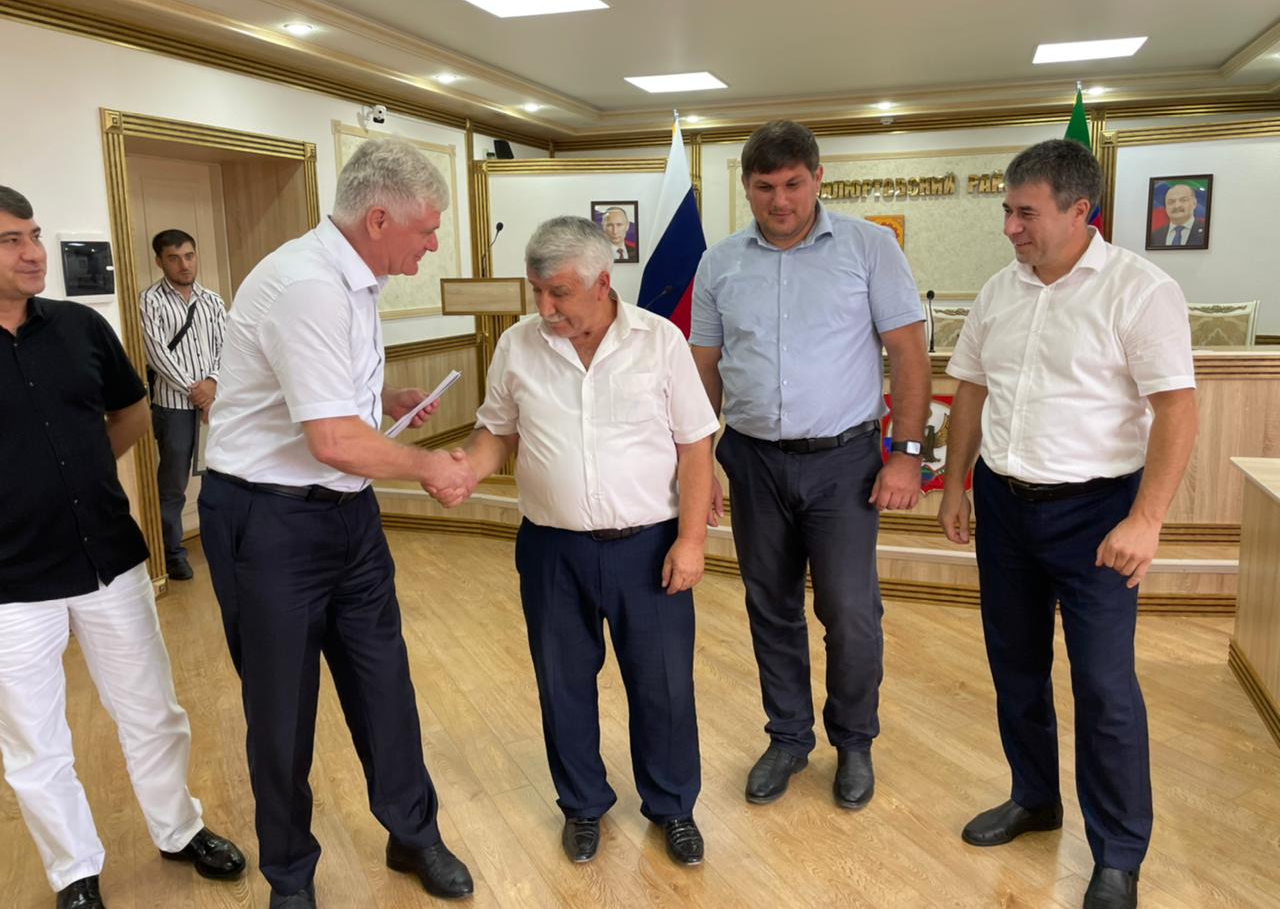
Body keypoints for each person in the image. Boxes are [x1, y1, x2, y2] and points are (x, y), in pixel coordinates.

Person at [197, 139, 476, 908]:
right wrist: (429, 465)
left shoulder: (358, 278)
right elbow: (331, 440)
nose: (433, 244)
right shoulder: (307, 284)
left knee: (385, 684)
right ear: (378, 218)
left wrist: (378, 399)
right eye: (427, 229)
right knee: (281, 710)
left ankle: (412, 833)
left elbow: (316, 396)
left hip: (347, 517)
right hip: (269, 524)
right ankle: (290, 876)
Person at [938, 139, 1198, 909]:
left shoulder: (1139, 291)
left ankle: (1118, 854)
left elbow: (1177, 411)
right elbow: (971, 390)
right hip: (1005, 506)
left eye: (1026, 212)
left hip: (1099, 515)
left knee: (1104, 687)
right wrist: (955, 486)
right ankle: (1034, 798)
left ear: (1081, 210)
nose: (1010, 227)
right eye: (1007, 211)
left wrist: (1147, 520)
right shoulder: (1000, 291)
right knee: (1015, 667)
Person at [0, 186, 245, 909]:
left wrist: (73, 476)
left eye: (34, 234)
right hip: (11, 583)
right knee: (35, 742)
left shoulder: (80, 326)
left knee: (152, 711)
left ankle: (179, 829)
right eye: (11, 240)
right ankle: (74, 872)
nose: (34, 252)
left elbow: (133, 411)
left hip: (109, 558)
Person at [447, 216, 718, 867]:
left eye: (559, 293)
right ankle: (582, 805)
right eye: (537, 291)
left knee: (663, 686)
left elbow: (695, 447)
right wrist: (465, 470)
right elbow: (497, 431)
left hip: (648, 546)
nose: (545, 307)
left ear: (603, 282)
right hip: (552, 550)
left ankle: (673, 806)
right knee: (562, 684)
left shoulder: (660, 341)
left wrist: (690, 541)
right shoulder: (517, 345)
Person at [689, 121, 931, 810]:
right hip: (753, 460)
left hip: (844, 463)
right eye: (765, 186)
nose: (781, 200)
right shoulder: (719, 263)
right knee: (770, 606)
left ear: (819, 178)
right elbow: (703, 369)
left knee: (850, 612)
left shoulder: (869, 247)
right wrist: (698, 469)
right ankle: (789, 738)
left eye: (794, 183)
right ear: (746, 187)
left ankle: (854, 741)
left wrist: (906, 456)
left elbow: (908, 354)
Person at [139, 229, 226, 581]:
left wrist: (213, 383)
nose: (184, 265)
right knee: (173, 485)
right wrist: (195, 390)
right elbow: (156, 353)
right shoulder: (149, 301)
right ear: (159, 261)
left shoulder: (213, 301)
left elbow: (227, 346)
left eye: (189, 256)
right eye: (174, 258)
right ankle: (172, 552)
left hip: (214, 404)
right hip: (173, 406)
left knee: (219, 476)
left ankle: (219, 543)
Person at [1149, 182, 1206, 248]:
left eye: (1183, 200)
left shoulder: (1206, 232)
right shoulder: (1155, 236)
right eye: (1171, 202)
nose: (1177, 206)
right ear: (1166, 207)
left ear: (1194, 203)